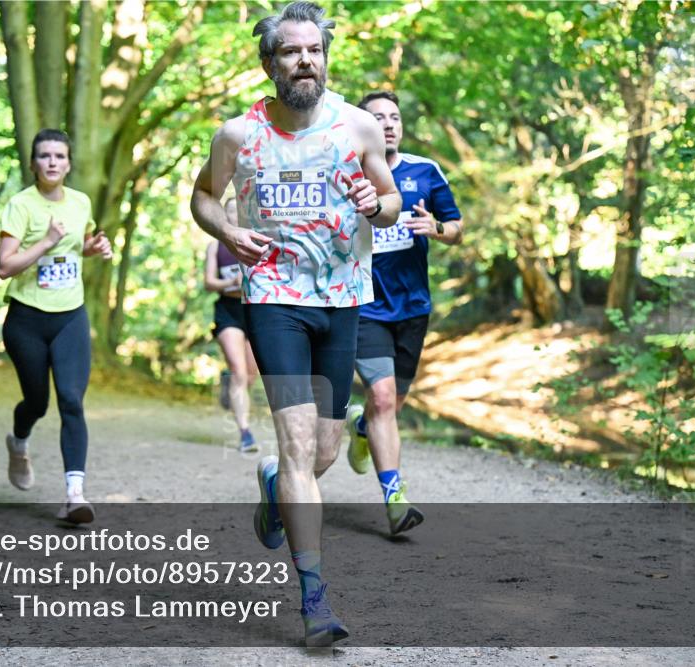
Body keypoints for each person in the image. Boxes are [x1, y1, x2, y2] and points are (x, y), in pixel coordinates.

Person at [190, 2, 401, 647]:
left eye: (314, 50)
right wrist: (228, 227)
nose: (305, 60)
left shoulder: (360, 128)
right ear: (269, 61)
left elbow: (390, 203)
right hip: (273, 298)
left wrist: (378, 202)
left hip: (342, 298)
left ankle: (274, 487)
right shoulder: (238, 136)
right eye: (291, 51)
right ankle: (314, 597)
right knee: (295, 447)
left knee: (325, 451)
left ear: (325, 59)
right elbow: (202, 196)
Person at [346, 91, 464, 535]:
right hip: (365, 306)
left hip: (413, 307)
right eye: (379, 118)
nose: (389, 124)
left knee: (391, 405)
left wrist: (437, 229)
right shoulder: (348, 174)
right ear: (365, 127)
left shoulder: (425, 171)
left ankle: (362, 428)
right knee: (380, 398)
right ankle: (395, 498)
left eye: (394, 117)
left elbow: (456, 226)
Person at [0, 128, 112, 524]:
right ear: (33, 163)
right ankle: (18, 441)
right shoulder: (20, 205)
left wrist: (94, 249)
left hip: (70, 317)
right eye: (44, 156)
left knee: (71, 400)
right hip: (26, 320)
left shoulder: (80, 202)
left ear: (68, 163)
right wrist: (44, 241)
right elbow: (3, 267)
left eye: (59, 156)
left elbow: (79, 245)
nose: (51, 162)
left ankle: (74, 495)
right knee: (37, 402)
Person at [205, 197, 260, 453]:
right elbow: (208, 283)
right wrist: (231, 283)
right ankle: (245, 433)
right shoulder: (216, 246)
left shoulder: (257, 241)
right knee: (239, 371)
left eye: (238, 211)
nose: (234, 216)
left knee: (250, 375)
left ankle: (232, 388)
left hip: (254, 309)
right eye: (229, 212)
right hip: (228, 311)